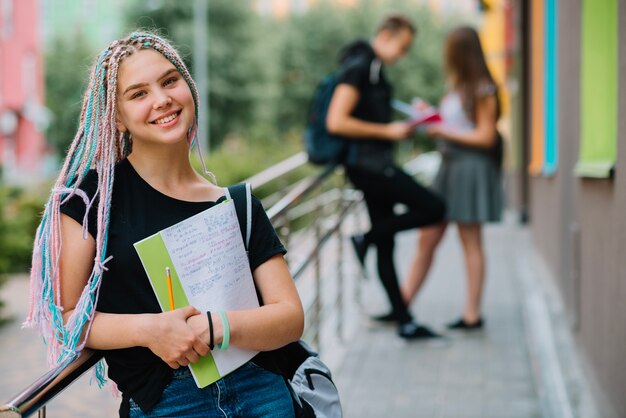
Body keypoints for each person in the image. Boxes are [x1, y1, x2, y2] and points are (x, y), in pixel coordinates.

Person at [26, 32, 304, 417]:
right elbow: (67, 317)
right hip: (167, 404)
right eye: (138, 94)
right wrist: (150, 330)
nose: (162, 100)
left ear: (188, 88)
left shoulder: (236, 204)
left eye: (170, 81)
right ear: (117, 117)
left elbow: (290, 318)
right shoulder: (91, 200)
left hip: (263, 391)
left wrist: (215, 326)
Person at [326, 15, 446, 340]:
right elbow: (336, 121)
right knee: (435, 209)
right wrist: (387, 131)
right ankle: (365, 238)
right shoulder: (361, 65)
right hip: (370, 168)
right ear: (385, 36)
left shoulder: (373, 67)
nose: (402, 54)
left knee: (387, 244)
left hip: (374, 164)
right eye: (402, 46)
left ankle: (403, 317)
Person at [400, 26, 504, 330]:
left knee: (470, 239)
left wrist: (442, 129)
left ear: (460, 52)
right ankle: (401, 304)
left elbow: (486, 136)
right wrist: (431, 115)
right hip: (449, 167)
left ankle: (472, 314)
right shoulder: (458, 86)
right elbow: (458, 124)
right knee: (427, 236)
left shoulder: (484, 88)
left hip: (470, 168)